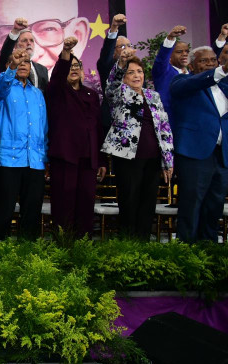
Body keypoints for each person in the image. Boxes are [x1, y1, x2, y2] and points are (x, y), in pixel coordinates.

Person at [101, 48, 174, 240]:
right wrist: (121, 64)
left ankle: (143, 244)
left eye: (139, 71)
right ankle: (127, 244)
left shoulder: (153, 96)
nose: (136, 75)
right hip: (127, 157)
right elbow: (111, 84)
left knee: (148, 202)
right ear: (125, 77)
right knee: (129, 201)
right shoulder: (119, 94)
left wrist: (168, 161)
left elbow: (164, 129)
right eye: (131, 72)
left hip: (153, 158)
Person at [45, 36, 106, 238]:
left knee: (86, 203)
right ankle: (63, 247)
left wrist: (102, 159)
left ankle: (83, 248)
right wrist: (65, 53)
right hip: (65, 157)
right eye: (70, 65)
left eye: (77, 65)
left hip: (88, 159)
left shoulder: (91, 95)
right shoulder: (57, 92)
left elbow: (97, 127)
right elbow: (57, 76)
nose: (73, 69)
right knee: (64, 204)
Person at [169, 45, 228, 242]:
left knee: (214, 206)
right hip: (195, 154)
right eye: (204, 61)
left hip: (221, 155)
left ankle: (209, 253)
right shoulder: (183, 81)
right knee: (191, 205)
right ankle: (187, 255)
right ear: (192, 65)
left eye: (213, 60)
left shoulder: (224, 86)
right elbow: (190, 84)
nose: (210, 63)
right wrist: (220, 71)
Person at [0, 48, 48, 242]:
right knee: (4, 214)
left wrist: (44, 157)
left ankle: (27, 259)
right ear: (10, 65)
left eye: (26, 62)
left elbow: (43, 127)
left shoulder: (38, 94)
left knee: (31, 215)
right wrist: (11, 69)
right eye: (18, 61)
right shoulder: (2, 87)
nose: (23, 64)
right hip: (8, 161)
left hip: (35, 162)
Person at [97, 14, 130, 132]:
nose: (126, 48)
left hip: (134, 122)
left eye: (129, 45)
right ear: (113, 51)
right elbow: (106, 53)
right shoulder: (107, 66)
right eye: (121, 46)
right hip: (112, 123)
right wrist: (114, 28)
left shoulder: (136, 69)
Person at [0, 18, 49, 91]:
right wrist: (15, 32)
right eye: (24, 40)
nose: (29, 43)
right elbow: (5, 55)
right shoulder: (12, 65)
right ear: (15, 46)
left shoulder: (43, 69)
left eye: (31, 40)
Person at [152, 25, 190, 115]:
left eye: (187, 51)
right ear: (169, 57)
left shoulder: (193, 74)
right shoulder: (163, 71)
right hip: (171, 122)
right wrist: (171, 38)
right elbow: (162, 58)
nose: (185, 54)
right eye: (179, 52)